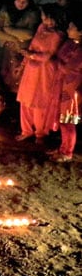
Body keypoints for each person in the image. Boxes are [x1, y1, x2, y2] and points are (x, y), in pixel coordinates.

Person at [16, 3, 66, 145]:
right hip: (31, 69)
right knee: (25, 99)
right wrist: (22, 65)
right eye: (43, 18)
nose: (45, 21)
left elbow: (47, 56)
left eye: (47, 18)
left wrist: (31, 55)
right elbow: (32, 47)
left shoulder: (58, 35)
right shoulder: (41, 28)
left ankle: (40, 132)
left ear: (55, 18)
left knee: (39, 101)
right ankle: (26, 130)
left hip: (45, 71)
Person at [45, 9, 82, 163]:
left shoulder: (80, 49)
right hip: (61, 84)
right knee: (62, 120)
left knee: (68, 121)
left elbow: (68, 67)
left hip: (72, 89)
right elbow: (60, 60)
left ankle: (67, 152)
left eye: (72, 28)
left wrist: (57, 62)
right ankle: (62, 147)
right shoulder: (69, 43)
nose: (68, 30)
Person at [0, 0, 40, 97]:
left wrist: (9, 30)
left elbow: (30, 34)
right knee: (3, 76)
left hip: (20, 51)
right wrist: (15, 38)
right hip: (5, 50)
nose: (21, 4)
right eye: (18, 1)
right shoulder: (5, 10)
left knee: (17, 77)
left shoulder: (32, 13)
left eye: (24, 2)